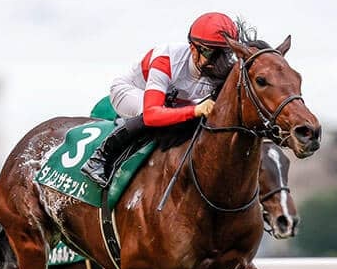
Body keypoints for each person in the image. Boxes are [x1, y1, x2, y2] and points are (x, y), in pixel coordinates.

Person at [81, 12, 239, 187]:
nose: (217, 61)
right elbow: (151, 114)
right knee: (161, 117)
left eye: (224, 53)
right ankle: (100, 157)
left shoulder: (221, 69)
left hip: (172, 102)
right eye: (211, 52)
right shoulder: (167, 58)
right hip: (131, 92)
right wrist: (195, 110)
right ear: (193, 48)